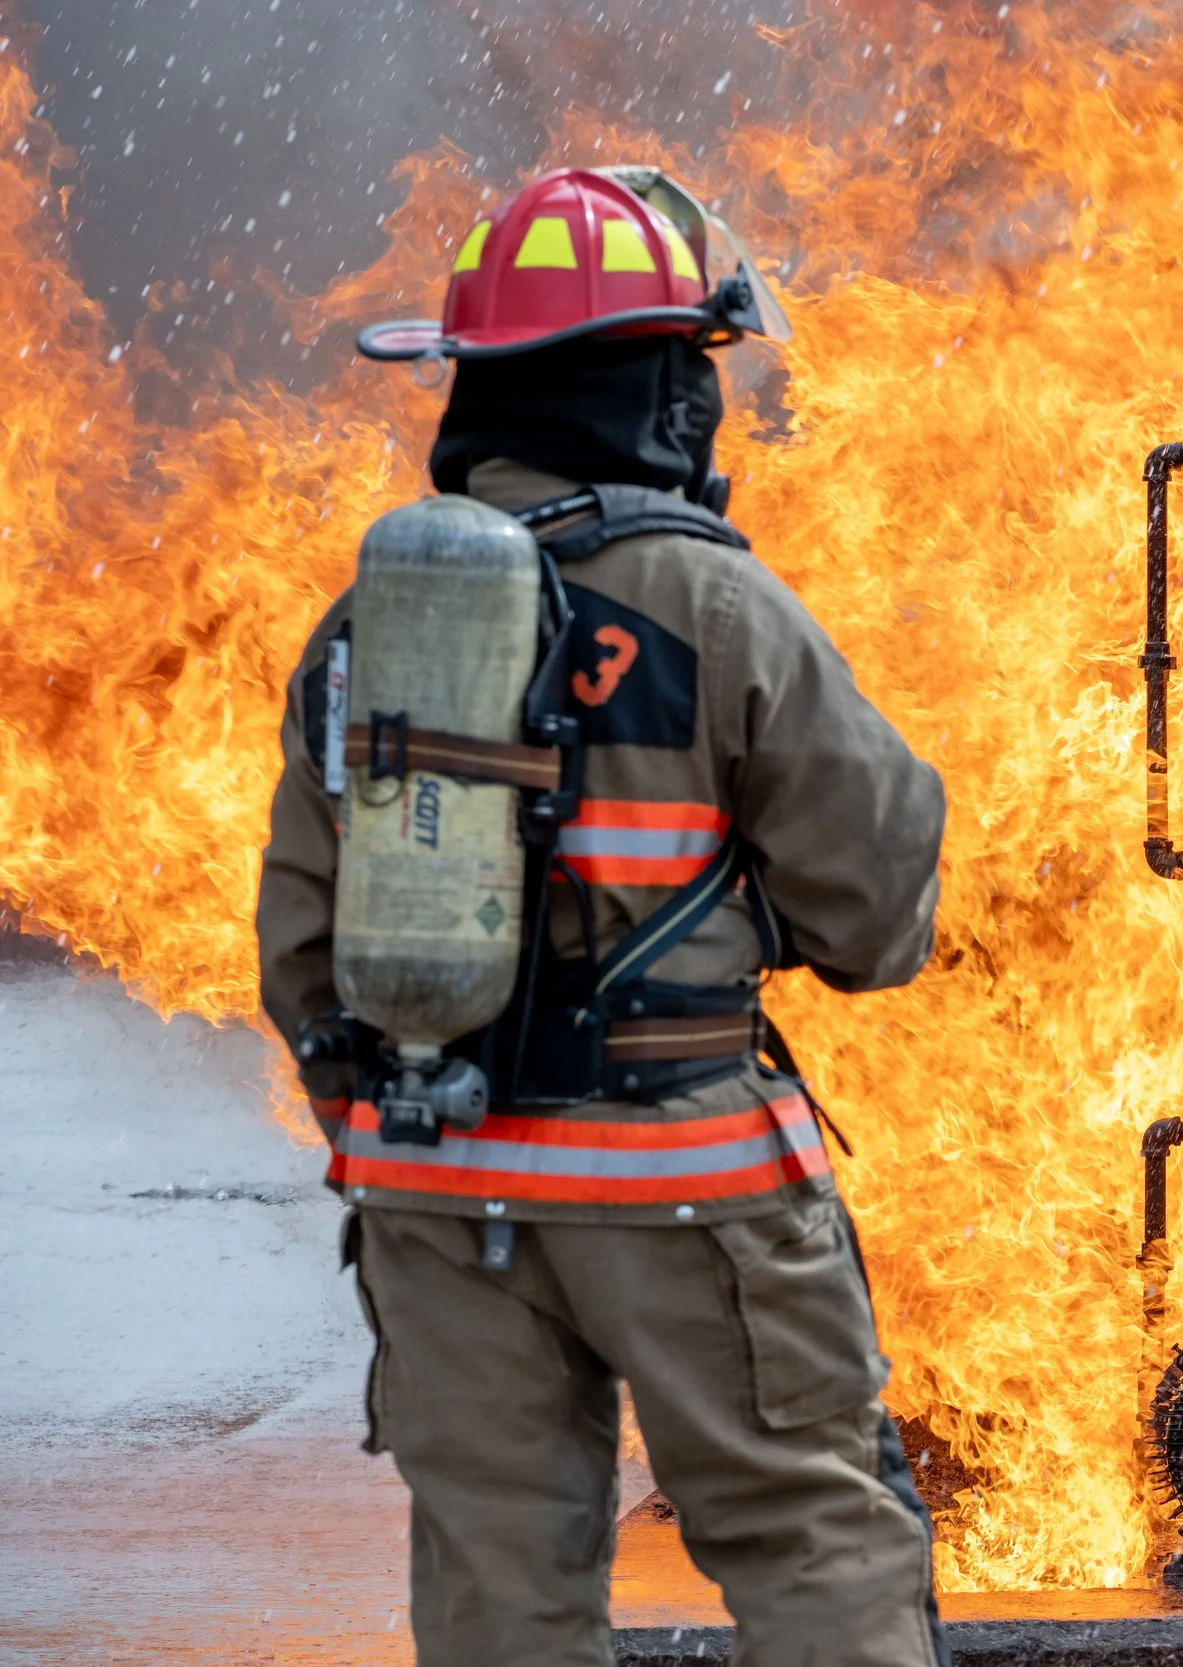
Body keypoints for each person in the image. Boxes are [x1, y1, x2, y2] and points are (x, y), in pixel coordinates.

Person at [255, 166, 951, 1667]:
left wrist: (405, 1119)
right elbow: (879, 914)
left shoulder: (364, 629)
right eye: (697, 371)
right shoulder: (714, 610)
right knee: (810, 1534)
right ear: (654, 390)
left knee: (500, 1585)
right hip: (684, 1179)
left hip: (437, 1192)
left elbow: (303, 951)